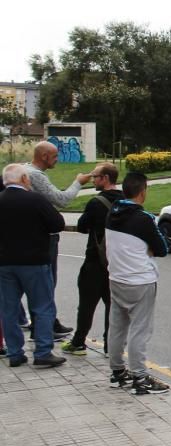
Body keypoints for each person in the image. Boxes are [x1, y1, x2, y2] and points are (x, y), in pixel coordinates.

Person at [106, 172, 170, 395]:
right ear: (143, 191)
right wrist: (148, 248)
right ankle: (140, 377)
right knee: (139, 330)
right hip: (140, 280)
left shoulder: (112, 214)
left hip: (116, 278)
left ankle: (117, 372)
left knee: (117, 326)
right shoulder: (143, 219)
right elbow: (162, 248)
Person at [0, 163, 67, 368]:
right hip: (35, 261)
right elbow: (58, 224)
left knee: (8, 309)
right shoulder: (35, 199)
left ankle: (15, 353)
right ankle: (43, 352)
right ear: (23, 179)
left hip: (4, 264)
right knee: (42, 307)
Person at [25, 140, 93, 339]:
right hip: (45, 237)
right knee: (47, 282)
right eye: (55, 156)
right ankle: (44, 328)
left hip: (29, 236)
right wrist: (78, 182)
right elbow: (61, 200)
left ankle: (45, 322)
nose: (58, 159)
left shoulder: (23, 170)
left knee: (38, 283)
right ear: (44, 156)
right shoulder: (36, 176)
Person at [61, 163, 124, 356]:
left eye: (95, 176)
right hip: (117, 263)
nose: (92, 179)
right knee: (112, 307)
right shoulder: (125, 201)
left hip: (95, 261)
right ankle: (110, 345)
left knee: (87, 304)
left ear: (105, 178)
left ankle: (79, 343)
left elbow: (81, 226)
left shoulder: (96, 203)